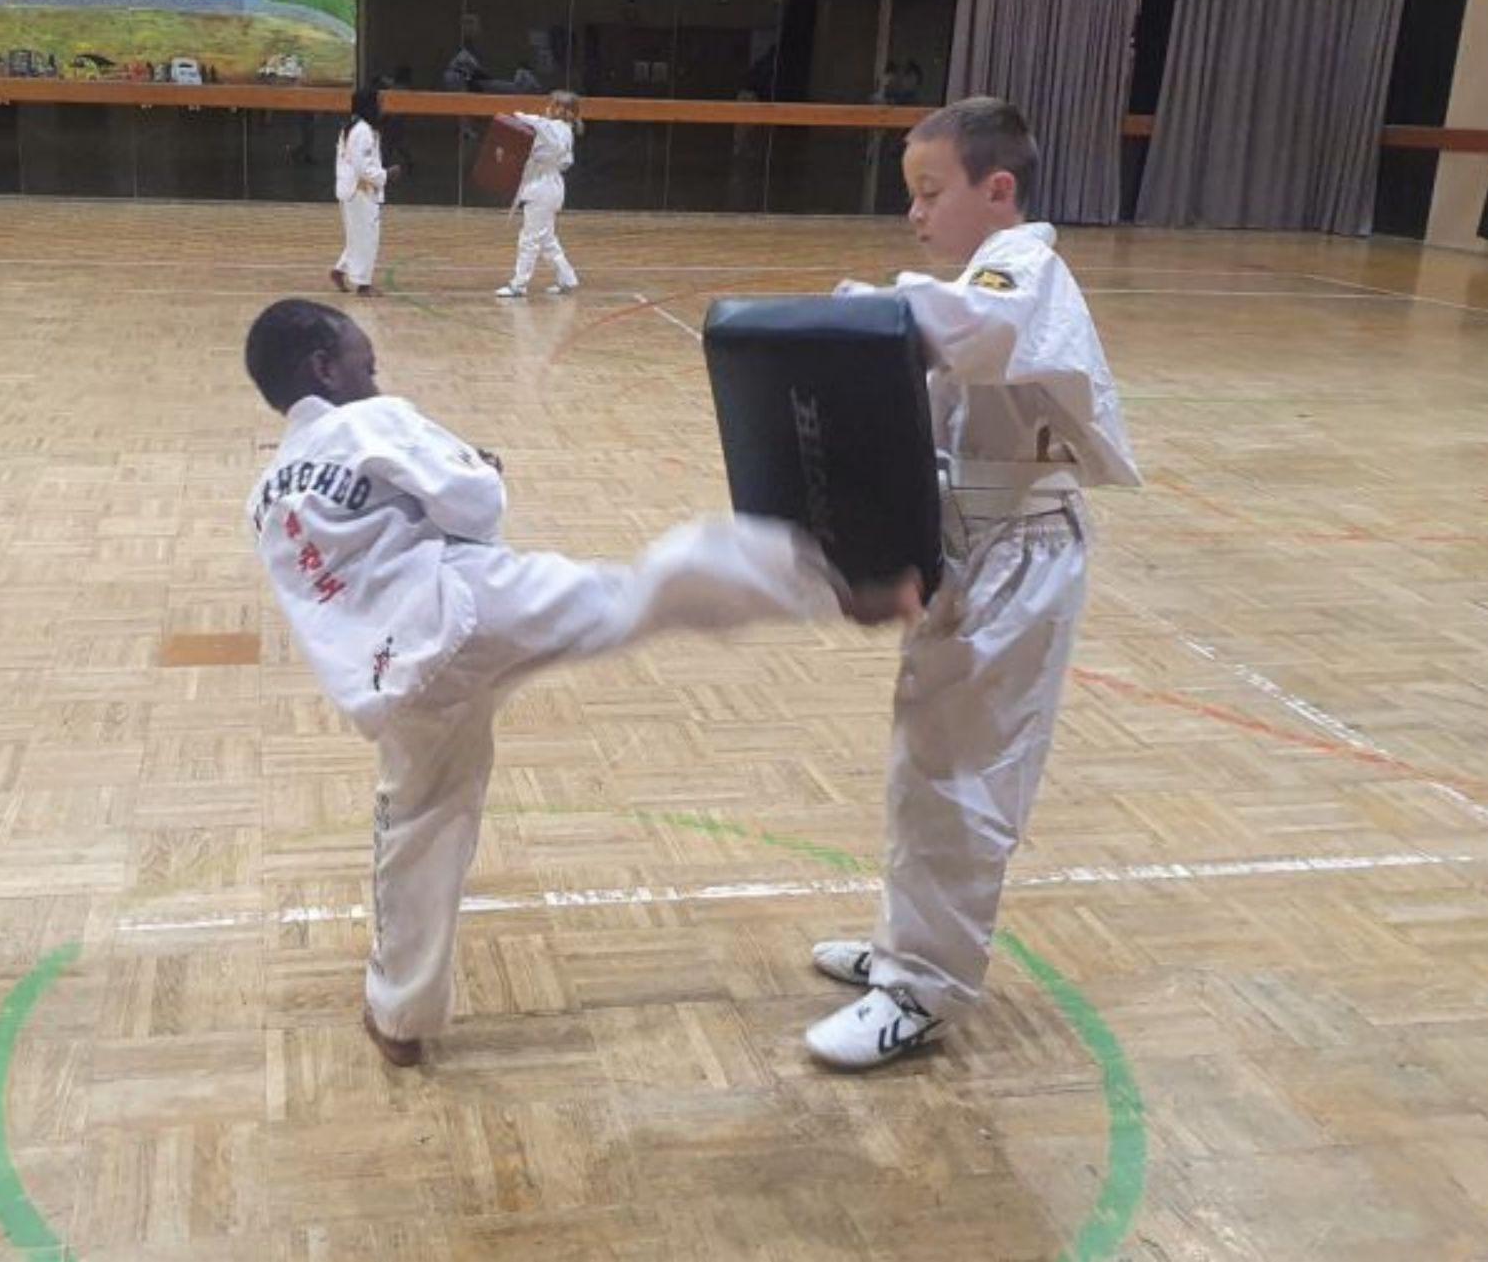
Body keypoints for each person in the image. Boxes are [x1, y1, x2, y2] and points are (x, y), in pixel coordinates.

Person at [242, 300, 921, 1067]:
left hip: (393, 675)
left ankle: (399, 1013)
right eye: (365, 365)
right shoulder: (371, 419)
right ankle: (839, 588)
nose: (375, 377)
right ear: (325, 369)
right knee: (641, 590)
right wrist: (480, 466)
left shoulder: (265, 495)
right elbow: (477, 506)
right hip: (470, 608)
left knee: (418, 818)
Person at [804, 96, 1142, 1071]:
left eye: (929, 190)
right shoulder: (977, 282)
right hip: (971, 544)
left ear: (996, 189)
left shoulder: (1020, 270)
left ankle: (924, 989)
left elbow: (967, 326)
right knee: (926, 759)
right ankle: (905, 946)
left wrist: (853, 311)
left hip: (1019, 553)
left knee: (965, 776)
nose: (913, 213)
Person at [496, 91, 583, 300]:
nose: (547, 107)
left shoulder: (552, 128)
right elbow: (564, 162)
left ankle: (518, 285)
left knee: (529, 239)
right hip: (549, 186)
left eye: (552, 105)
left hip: (542, 189)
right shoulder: (563, 130)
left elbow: (526, 119)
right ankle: (567, 278)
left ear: (560, 109)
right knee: (547, 239)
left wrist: (514, 118)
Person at [333, 87, 399, 297]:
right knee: (367, 238)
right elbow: (363, 168)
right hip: (360, 191)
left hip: (352, 190)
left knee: (357, 237)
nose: (381, 107)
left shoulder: (353, 127)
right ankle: (363, 285)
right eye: (378, 103)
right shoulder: (362, 131)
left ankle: (340, 270)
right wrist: (386, 175)